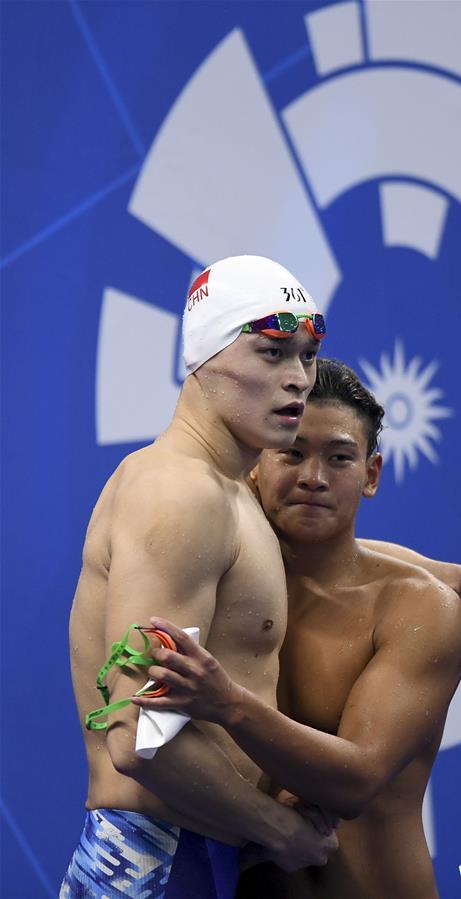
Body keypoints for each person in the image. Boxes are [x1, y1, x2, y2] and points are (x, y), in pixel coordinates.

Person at [132, 358, 461, 899]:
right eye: (292, 452)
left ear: (371, 474)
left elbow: (354, 783)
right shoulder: (225, 586)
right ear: (255, 465)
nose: (313, 477)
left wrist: (227, 703)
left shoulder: (419, 608)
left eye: (339, 458)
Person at [62, 256, 339, 899]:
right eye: (272, 352)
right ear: (205, 358)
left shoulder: (229, 491)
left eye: (307, 356)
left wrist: (450, 576)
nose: (298, 379)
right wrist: (279, 830)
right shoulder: (180, 494)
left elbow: (327, 551)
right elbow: (140, 735)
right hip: (156, 860)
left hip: (198, 851)